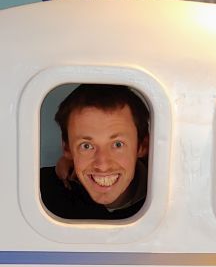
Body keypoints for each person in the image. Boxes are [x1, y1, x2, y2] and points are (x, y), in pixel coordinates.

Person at [40, 84, 150, 221]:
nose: (102, 165)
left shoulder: (171, 200)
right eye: (86, 146)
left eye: (117, 144)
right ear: (67, 149)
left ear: (142, 146)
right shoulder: (39, 192)